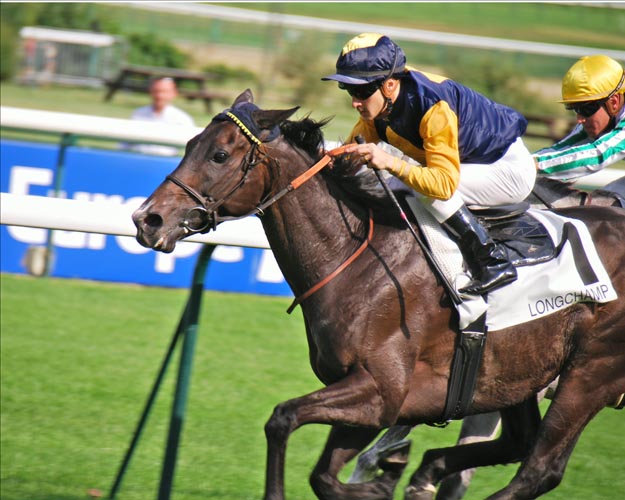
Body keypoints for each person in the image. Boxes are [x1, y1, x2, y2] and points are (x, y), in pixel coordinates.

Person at [322, 33, 536, 295]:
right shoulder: (378, 105)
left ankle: (491, 260)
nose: (355, 101)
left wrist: (389, 161)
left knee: (418, 187)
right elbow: (350, 153)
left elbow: (444, 185)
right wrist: (322, 162)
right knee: (396, 186)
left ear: (389, 85)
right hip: (472, 163)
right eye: (349, 90)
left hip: (505, 168)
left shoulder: (432, 108)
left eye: (361, 91)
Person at [534, 55, 625, 181]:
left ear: (614, 102)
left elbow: (598, 154)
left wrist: (530, 166)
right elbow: (563, 149)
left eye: (585, 109)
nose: (580, 119)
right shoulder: (599, 117)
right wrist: (522, 162)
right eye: (576, 109)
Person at [128, 76, 196, 156]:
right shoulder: (138, 114)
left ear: (174, 93)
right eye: (156, 91)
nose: (159, 96)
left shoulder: (183, 119)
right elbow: (126, 144)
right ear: (150, 91)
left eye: (164, 92)